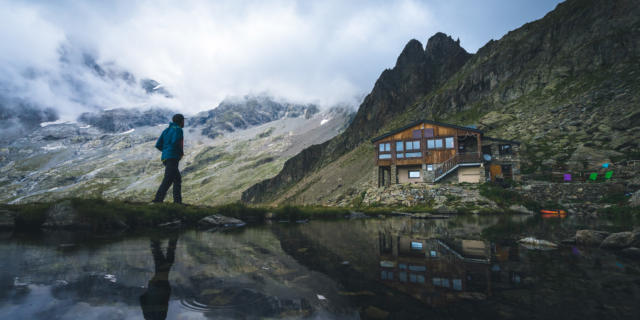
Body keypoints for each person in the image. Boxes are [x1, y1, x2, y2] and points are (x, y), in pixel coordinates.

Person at [139, 236, 178, 320]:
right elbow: (142, 299)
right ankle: (156, 240)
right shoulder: (148, 317)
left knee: (165, 265)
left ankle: (168, 238)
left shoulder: (160, 318)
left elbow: (165, 304)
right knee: (162, 265)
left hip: (162, 288)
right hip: (154, 288)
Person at [152, 114, 184, 204]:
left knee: (176, 178)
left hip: (165, 157)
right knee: (168, 179)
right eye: (183, 121)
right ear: (181, 121)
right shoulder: (178, 129)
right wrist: (180, 153)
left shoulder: (166, 130)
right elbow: (177, 142)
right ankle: (158, 200)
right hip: (173, 157)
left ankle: (177, 202)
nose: (184, 122)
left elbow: (158, 145)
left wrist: (166, 150)